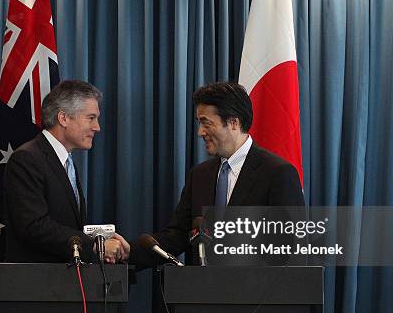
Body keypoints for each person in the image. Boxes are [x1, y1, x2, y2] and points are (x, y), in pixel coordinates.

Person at [129, 81, 304, 267]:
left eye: (206, 123)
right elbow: (177, 235)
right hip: (204, 293)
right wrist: (128, 251)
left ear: (233, 123)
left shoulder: (278, 174)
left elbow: (288, 250)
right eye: (199, 123)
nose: (200, 132)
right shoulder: (199, 175)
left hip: (257, 292)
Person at [2, 80, 130, 263]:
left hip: (63, 282)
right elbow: (34, 226)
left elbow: (66, 223)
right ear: (63, 118)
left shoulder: (65, 161)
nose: (97, 127)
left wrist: (100, 241)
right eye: (91, 118)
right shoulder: (27, 158)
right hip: (35, 283)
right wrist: (93, 246)